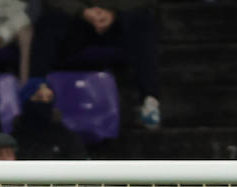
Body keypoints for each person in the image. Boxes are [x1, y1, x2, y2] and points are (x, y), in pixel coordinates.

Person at [30, 0, 162, 128]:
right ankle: (36, 95)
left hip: (119, 20)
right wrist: (82, 11)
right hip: (78, 20)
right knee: (49, 21)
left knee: (143, 19)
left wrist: (113, 12)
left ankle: (150, 101)